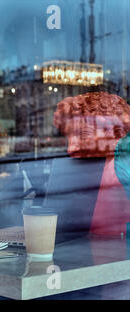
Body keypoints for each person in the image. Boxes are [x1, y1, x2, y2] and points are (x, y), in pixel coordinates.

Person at [53, 91, 130, 236]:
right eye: (68, 137)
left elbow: (106, 241)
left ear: (115, 132)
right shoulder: (90, 171)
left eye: (84, 134)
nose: (71, 147)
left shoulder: (115, 171)